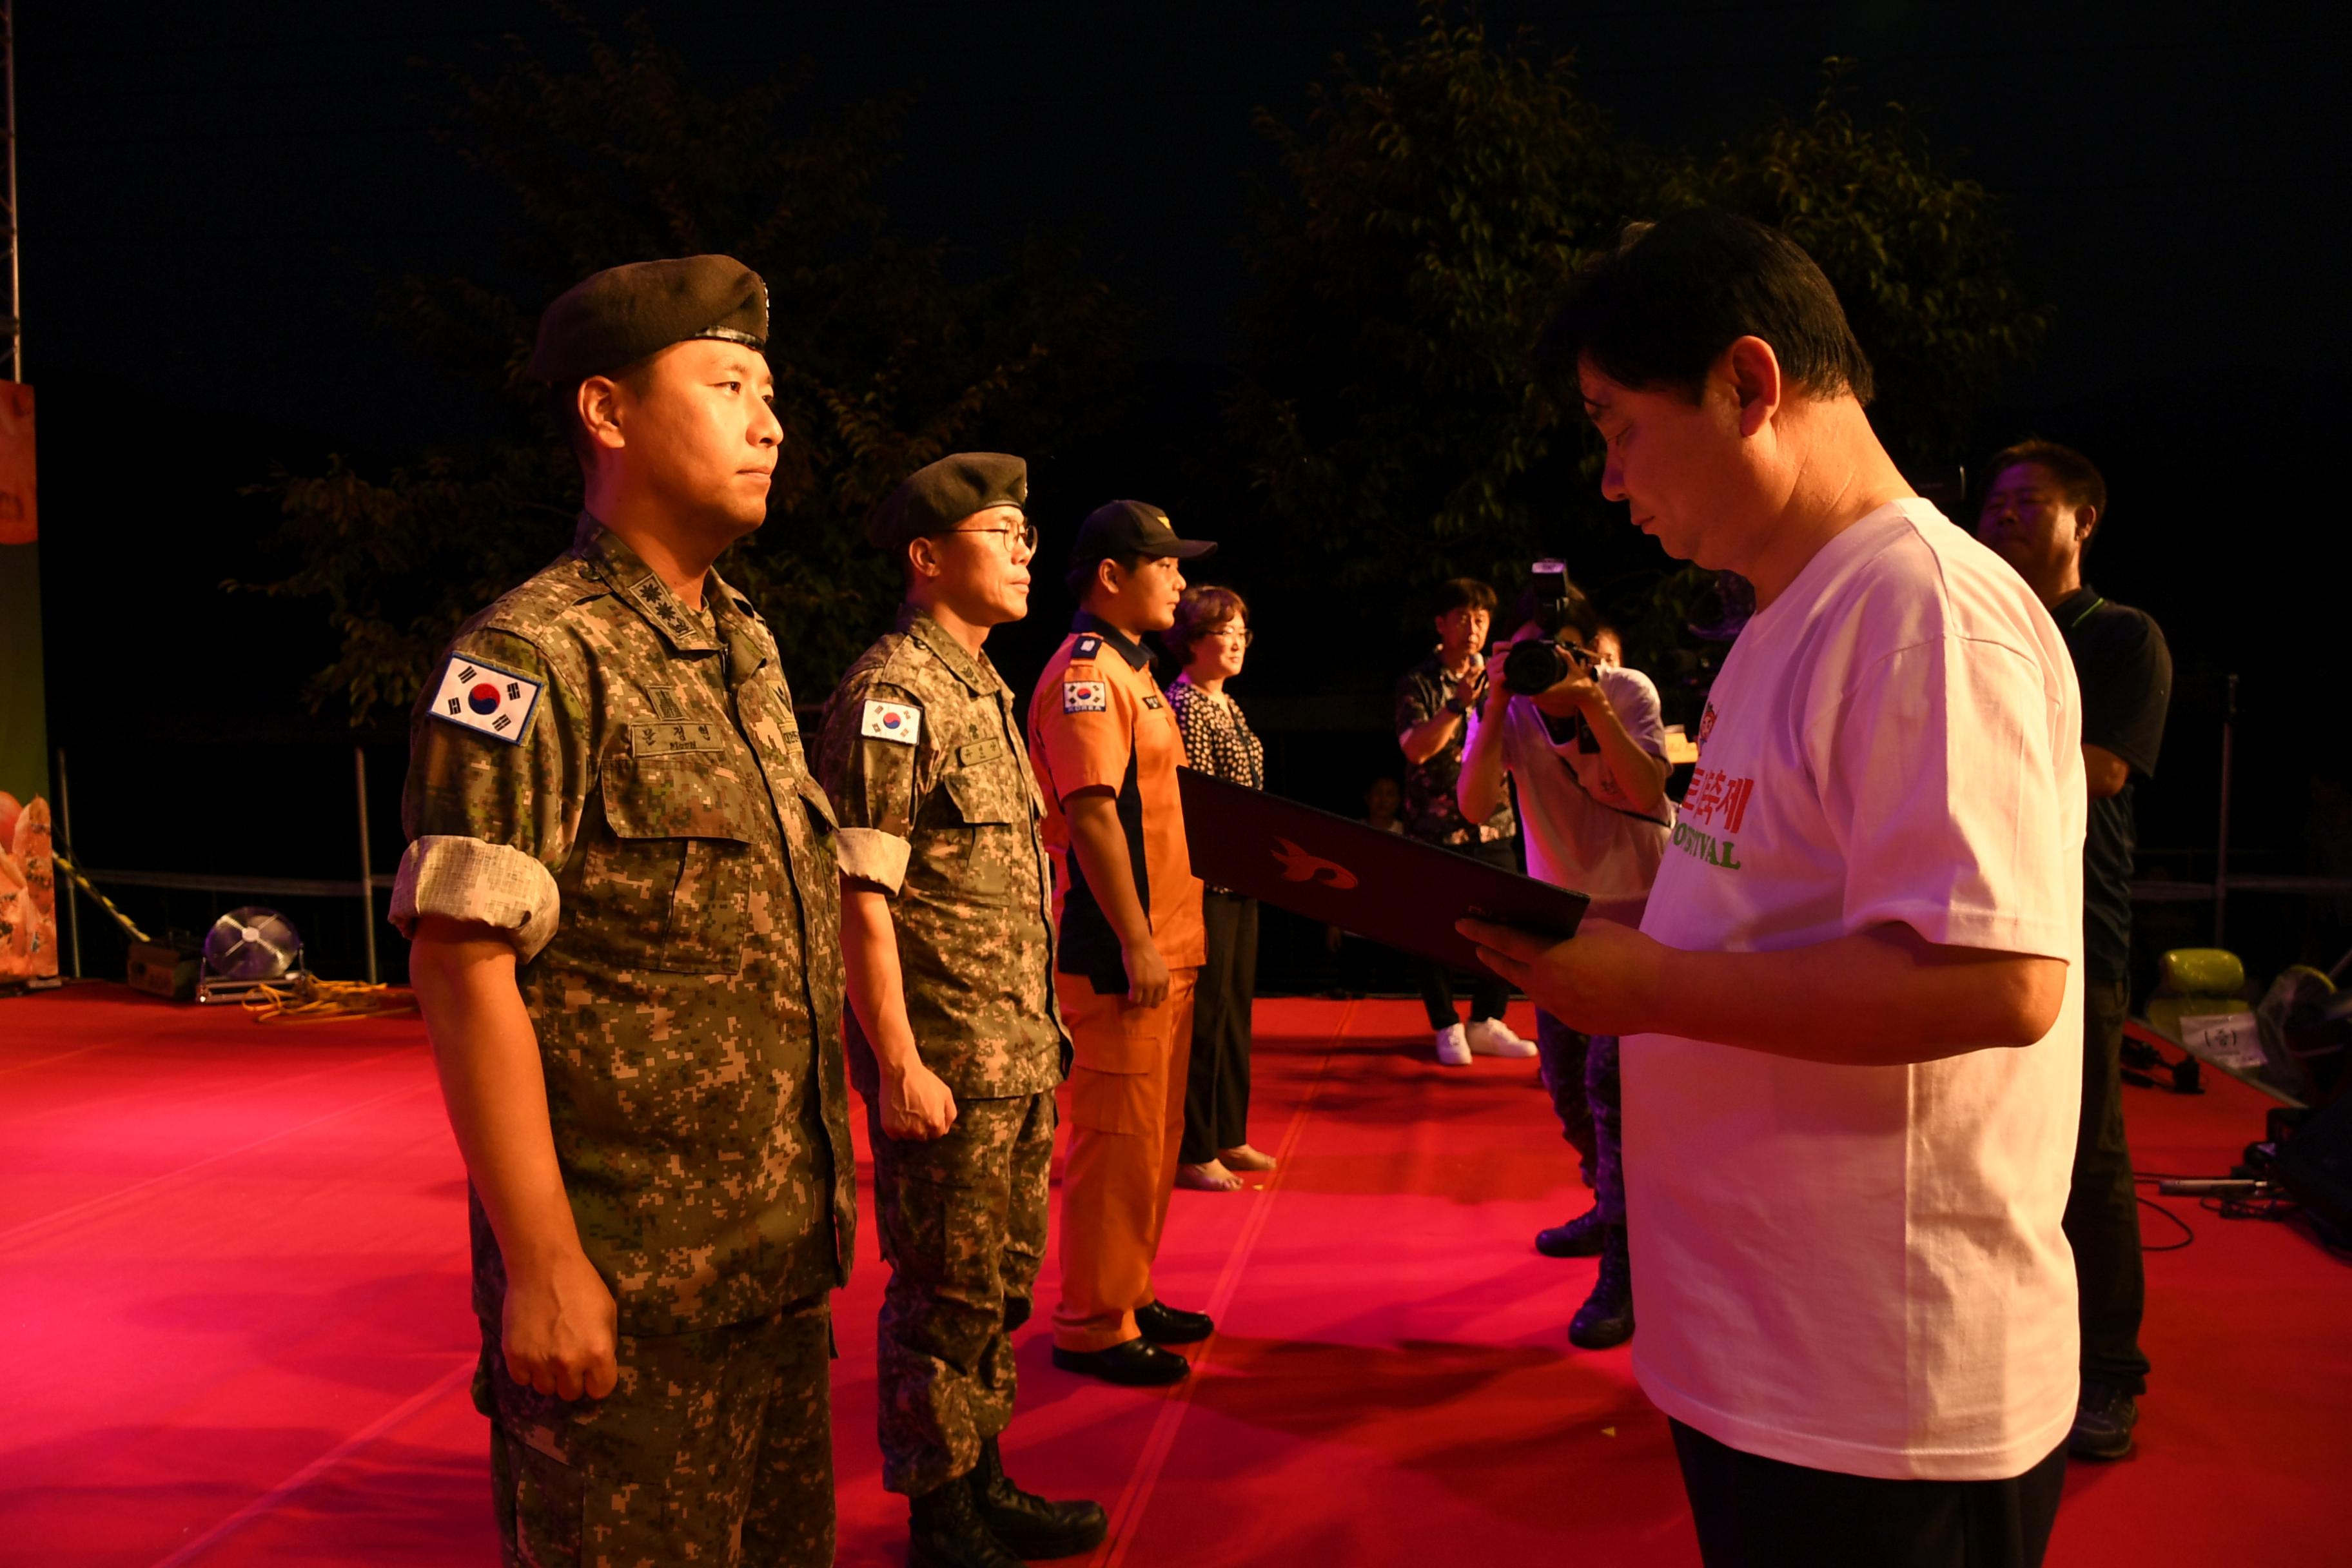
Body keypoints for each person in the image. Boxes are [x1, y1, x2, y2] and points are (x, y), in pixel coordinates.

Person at [1465, 210, 2084, 1568]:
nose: (1614, 480)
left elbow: (2001, 978)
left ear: (1750, 385)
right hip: (1776, 1355)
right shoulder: (1782, 619)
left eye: (1620, 425)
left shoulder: (1922, 607)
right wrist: (1598, 936)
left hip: (1884, 1386)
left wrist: (1655, 986)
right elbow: (1755, 902)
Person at [395, 256, 856, 1567]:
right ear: (606, 411)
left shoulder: (747, 649)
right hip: (626, 1297)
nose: (769, 422)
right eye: (727, 387)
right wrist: (542, 1264)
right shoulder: (532, 657)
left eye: (771, 393)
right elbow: (463, 961)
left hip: (771, 1284)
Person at [818, 453, 1108, 1568]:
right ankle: (940, 1514)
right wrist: (895, 1060)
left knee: (993, 1285)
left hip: (1012, 1052)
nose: (1027, 550)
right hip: (944, 1060)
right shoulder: (894, 694)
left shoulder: (983, 686)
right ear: (927, 558)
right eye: (1003, 531)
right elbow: (861, 888)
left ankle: (983, 1474)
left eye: (1030, 534)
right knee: (939, 1292)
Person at [1975, 439, 2171, 1462]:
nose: (2001, 514)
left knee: (2090, 1153)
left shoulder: (2121, 637)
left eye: (2028, 501)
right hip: (1968, 919)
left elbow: (2097, 772)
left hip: (2072, 932)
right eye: (1993, 500)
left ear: (2083, 521)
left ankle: (2112, 1370)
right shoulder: (1970, 622)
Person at [1028, 499, 1220, 1386]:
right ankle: (1093, 1322)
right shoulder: (1087, 673)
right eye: (1165, 563)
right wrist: (1136, 940)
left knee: (1153, 1136)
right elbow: (1094, 813)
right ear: (1112, 576)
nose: (1180, 579)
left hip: (1169, 941)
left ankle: (1131, 1292)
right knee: (1115, 1138)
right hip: (1122, 952)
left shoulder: (1137, 674)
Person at [1458, 579, 1672, 1351]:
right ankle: (1605, 1200)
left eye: (1553, 653)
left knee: (1609, 1089)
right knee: (1563, 1080)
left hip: (1641, 906)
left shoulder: (1626, 690)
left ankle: (1626, 1263)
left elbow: (1649, 789)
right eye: (1526, 654)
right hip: (1561, 916)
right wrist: (1489, 708)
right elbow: (1475, 807)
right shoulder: (1510, 711)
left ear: (1583, 651)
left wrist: (1593, 704)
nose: (1540, 667)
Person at [1395, 578, 1535, 1066]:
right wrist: (1457, 704)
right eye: (1461, 617)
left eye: (1480, 618)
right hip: (1436, 826)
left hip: (1495, 822)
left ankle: (1486, 1020)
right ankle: (1445, 1024)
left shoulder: (1506, 677)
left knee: (1506, 921)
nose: (1472, 627)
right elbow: (1416, 749)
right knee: (1432, 927)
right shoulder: (1420, 682)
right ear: (1441, 624)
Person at [1166, 585, 1271, 1193]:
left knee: (1234, 1011)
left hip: (1242, 874)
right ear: (1193, 641)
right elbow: (1199, 800)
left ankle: (1229, 1131)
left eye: (1241, 631)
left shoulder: (1226, 704)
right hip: (1208, 880)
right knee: (1205, 1017)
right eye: (1223, 631)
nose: (1235, 641)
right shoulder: (1187, 704)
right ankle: (1194, 1145)